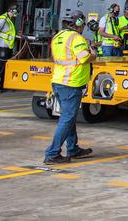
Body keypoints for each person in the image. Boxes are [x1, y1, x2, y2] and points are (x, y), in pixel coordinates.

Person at [44, 11, 94, 165]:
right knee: (67, 118)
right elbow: (84, 58)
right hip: (71, 83)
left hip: (58, 81)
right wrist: (93, 52)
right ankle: (52, 153)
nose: (84, 27)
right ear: (78, 23)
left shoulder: (58, 36)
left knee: (69, 116)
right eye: (83, 24)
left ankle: (73, 149)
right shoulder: (77, 38)